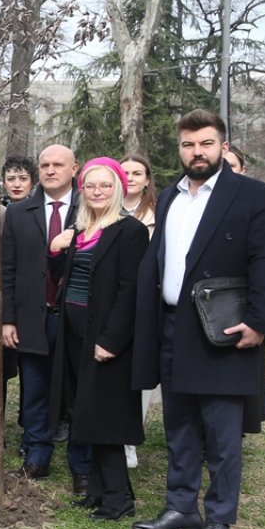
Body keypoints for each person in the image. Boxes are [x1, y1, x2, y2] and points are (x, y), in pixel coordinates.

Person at [131, 110, 265, 529]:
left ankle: (218, 518)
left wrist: (258, 320)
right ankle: (180, 508)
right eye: (188, 144)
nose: (197, 153)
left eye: (206, 144)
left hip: (224, 329)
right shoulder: (171, 197)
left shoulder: (254, 195)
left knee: (221, 432)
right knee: (179, 425)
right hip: (173, 325)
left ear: (223, 146)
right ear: (179, 148)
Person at [47, 158, 148, 520]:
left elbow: (129, 291)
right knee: (83, 413)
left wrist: (111, 340)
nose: (98, 192)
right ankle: (100, 491)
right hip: (74, 335)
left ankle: (118, 500)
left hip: (105, 339)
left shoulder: (129, 231)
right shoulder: (82, 230)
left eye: (106, 185)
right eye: (91, 186)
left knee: (107, 418)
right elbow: (64, 279)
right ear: (82, 191)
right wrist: (57, 250)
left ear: (118, 188)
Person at [0, 145, 91, 492]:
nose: (51, 170)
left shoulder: (90, 208)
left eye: (58, 165)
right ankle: (36, 456)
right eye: (45, 165)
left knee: (77, 393)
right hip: (32, 319)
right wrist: (9, 318)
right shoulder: (21, 212)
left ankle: (82, 465)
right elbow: (7, 269)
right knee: (34, 390)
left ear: (74, 169)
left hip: (76, 319)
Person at [119, 153, 157, 469]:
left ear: (147, 179)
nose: (130, 177)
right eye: (125, 171)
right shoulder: (101, 208)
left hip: (146, 304)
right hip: (113, 303)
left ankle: (131, 439)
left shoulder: (161, 214)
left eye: (137, 172)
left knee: (141, 376)